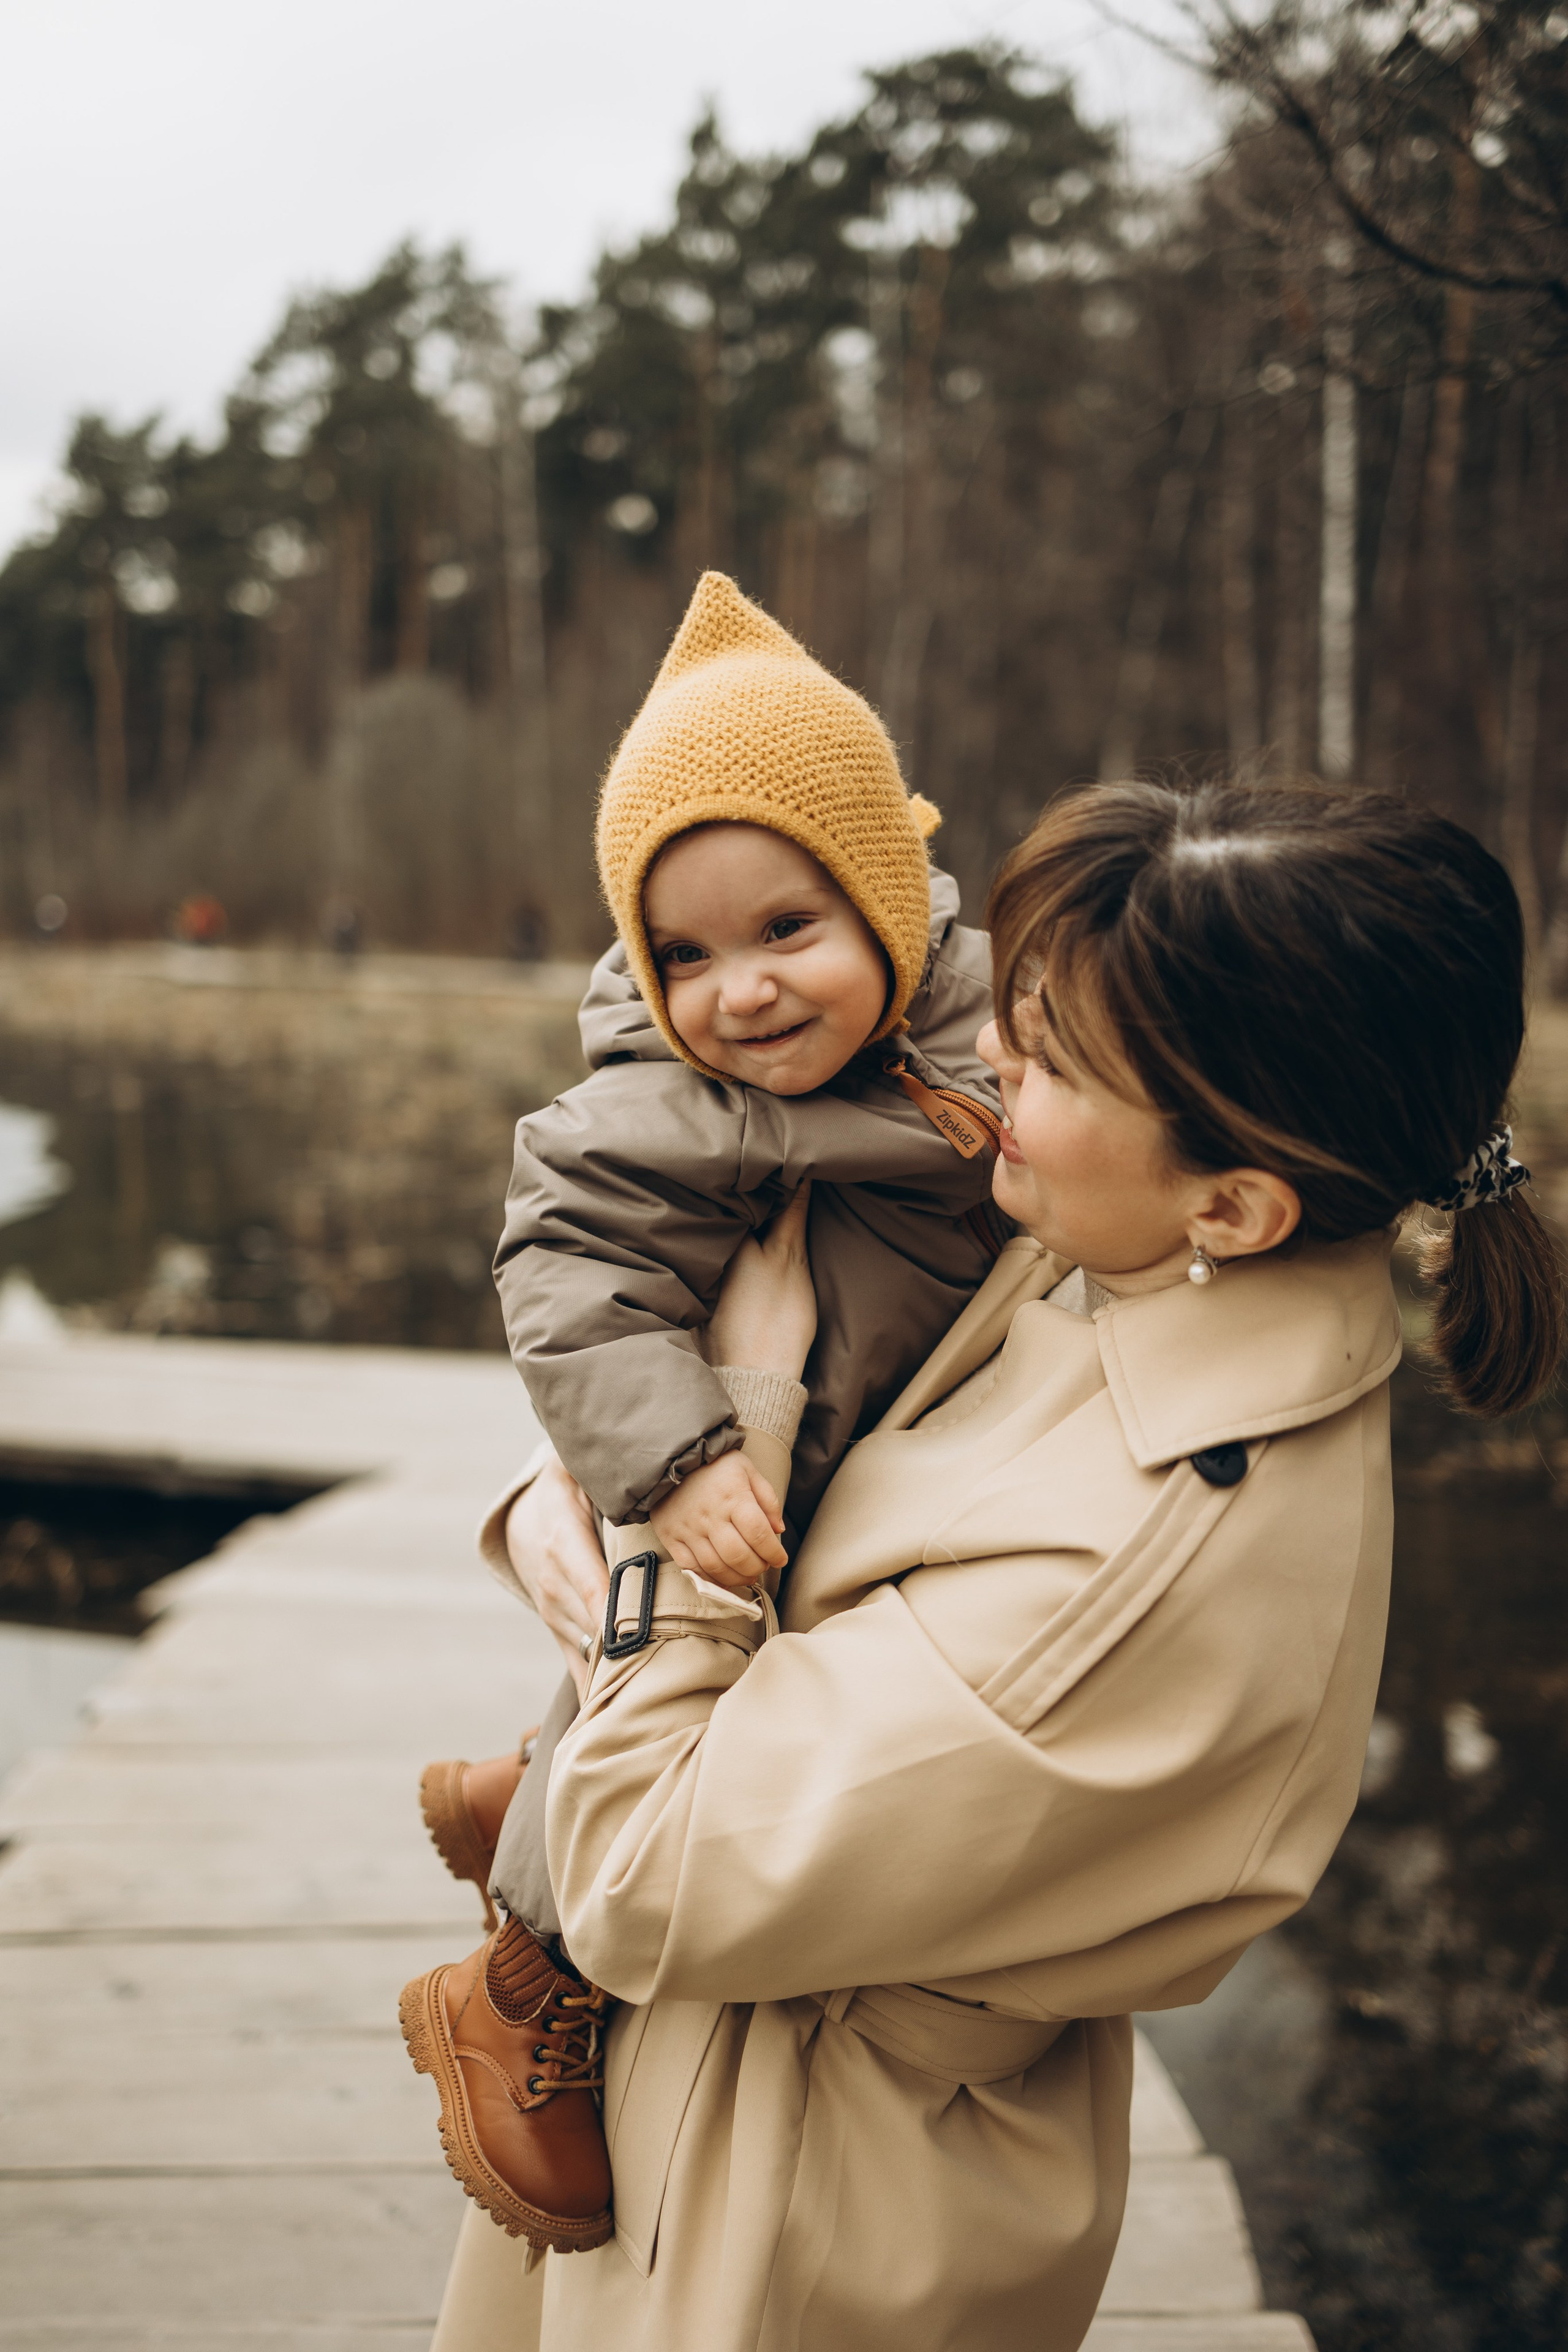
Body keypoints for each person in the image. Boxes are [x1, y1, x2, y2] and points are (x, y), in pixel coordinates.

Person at [427, 775, 1562, 2352]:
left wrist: (715, 1449)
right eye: (1012, 1025)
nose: (988, 1073)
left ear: (1231, 1198)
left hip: (788, 2216)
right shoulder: (1125, 1260)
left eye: (1044, 1063)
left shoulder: (1130, 1562)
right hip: (719, 2102)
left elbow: (635, 1875)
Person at [403, 570, 1012, 2251]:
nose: (737, 992)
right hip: (727, 1472)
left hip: (877, 1464)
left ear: (892, 906)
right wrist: (665, 1461)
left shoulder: (1003, 1038)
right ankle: (521, 1983)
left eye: (786, 931)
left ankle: (510, 1786)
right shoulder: (668, 1109)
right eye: (681, 953)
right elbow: (564, 1276)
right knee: (668, 1711)